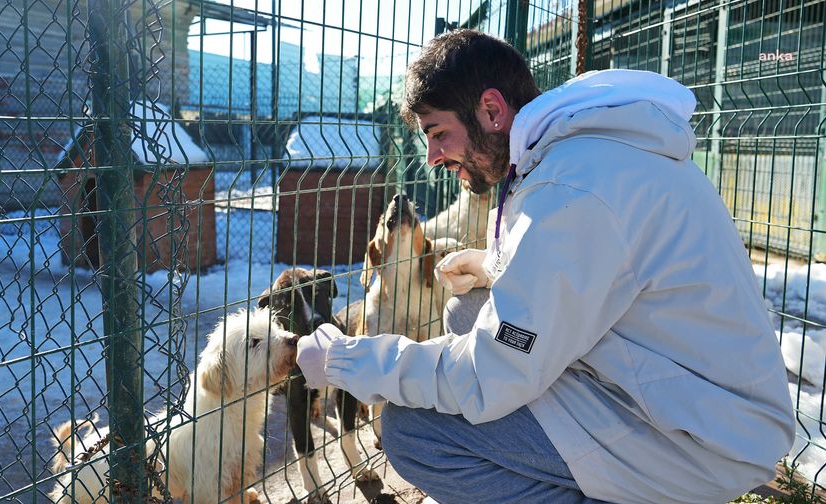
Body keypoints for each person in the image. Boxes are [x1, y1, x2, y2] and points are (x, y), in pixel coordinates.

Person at [296, 29, 795, 504]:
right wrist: (494, 264)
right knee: (468, 311)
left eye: (438, 132)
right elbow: (589, 264)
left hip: (699, 441)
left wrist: (350, 362)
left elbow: (489, 373)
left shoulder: (569, 191)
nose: (431, 157)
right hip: (693, 399)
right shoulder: (580, 154)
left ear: (491, 110)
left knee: (414, 431)